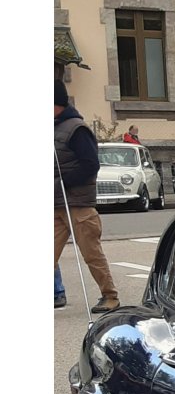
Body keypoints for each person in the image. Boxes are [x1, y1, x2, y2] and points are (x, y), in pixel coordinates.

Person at [54, 80, 120, 314]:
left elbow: (90, 165)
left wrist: (62, 183)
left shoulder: (77, 129)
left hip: (78, 204)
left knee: (92, 255)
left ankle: (110, 296)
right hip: (55, 204)